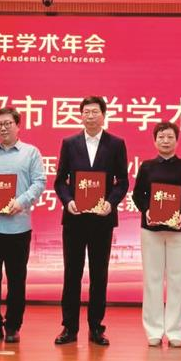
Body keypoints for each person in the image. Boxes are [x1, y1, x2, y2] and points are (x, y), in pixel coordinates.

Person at [53, 96, 129, 347]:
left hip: (101, 220)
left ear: (103, 115)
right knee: (72, 274)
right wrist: (67, 201)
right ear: (81, 115)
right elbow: (60, 180)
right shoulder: (69, 143)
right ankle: (69, 327)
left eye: (95, 111)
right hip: (74, 219)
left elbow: (123, 181)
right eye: (86, 112)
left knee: (99, 275)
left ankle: (96, 327)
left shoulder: (116, 144)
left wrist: (111, 202)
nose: (90, 116)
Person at [0, 106, 46, 344]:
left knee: (16, 281)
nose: (3, 128)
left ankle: (13, 326)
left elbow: (39, 182)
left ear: (18, 126)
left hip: (17, 228)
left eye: (8, 124)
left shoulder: (31, 153)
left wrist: (21, 202)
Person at [132, 121, 181, 347]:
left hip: (178, 230)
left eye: (170, 137)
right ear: (155, 141)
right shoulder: (147, 166)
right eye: (161, 137)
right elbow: (138, 195)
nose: (165, 141)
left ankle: (175, 331)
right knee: (152, 279)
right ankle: (153, 330)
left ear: (177, 141)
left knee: (177, 280)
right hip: (151, 230)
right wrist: (147, 210)